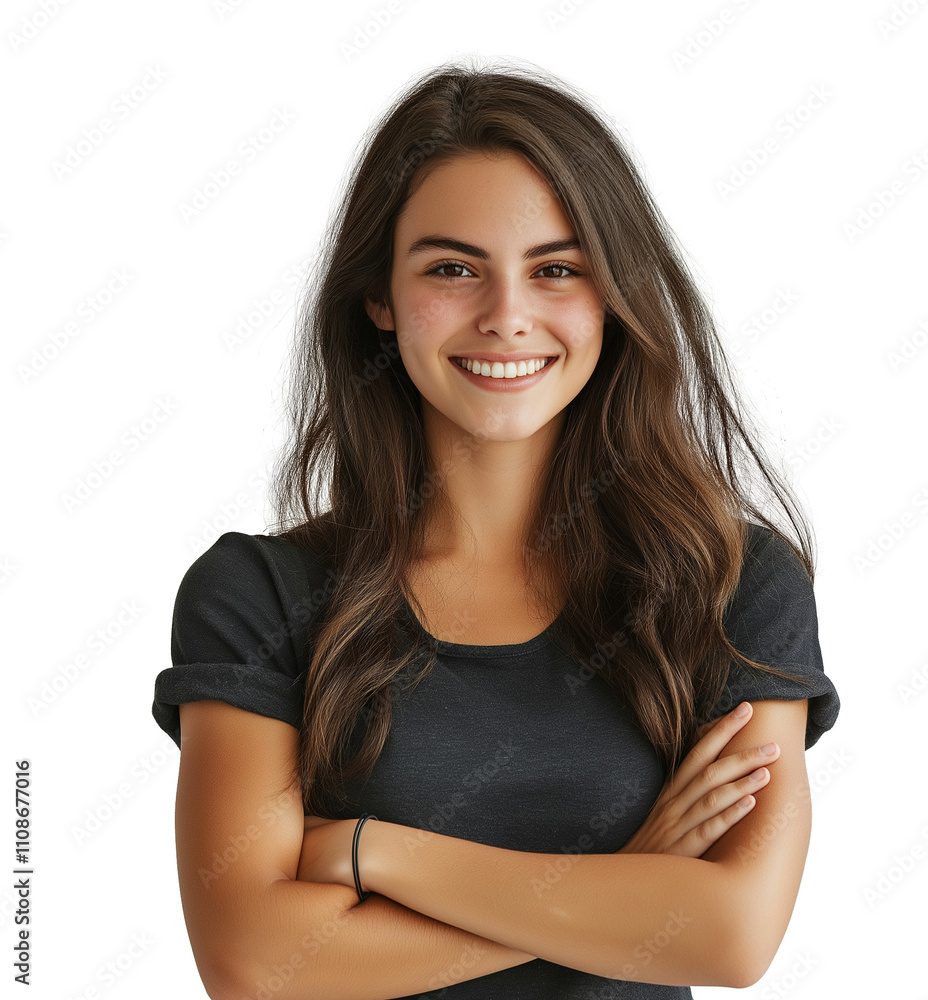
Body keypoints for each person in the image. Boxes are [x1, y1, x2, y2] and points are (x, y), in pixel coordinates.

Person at [152, 58, 840, 999]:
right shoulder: (258, 596)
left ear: (614, 294)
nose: (507, 317)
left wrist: (374, 851)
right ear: (380, 297)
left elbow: (732, 935)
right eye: (452, 269)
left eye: (556, 269)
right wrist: (629, 877)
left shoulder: (732, 582)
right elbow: (256, 963)